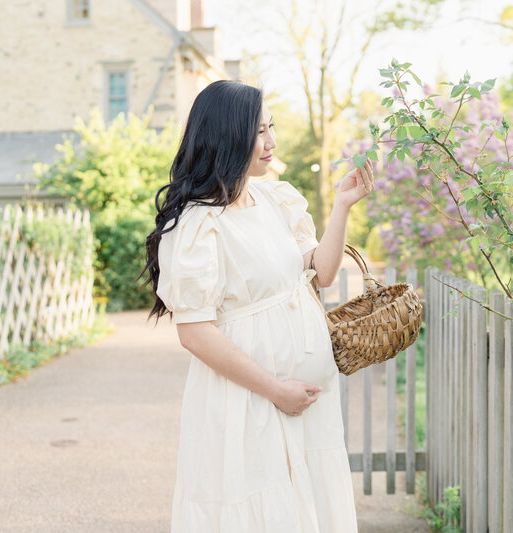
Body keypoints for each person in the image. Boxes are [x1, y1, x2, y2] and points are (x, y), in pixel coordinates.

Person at [140, 80, 375, 532]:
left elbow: (321, 273)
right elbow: (194, 331)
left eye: (271, 127)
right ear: (228, 137)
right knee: (257, 512)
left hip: (305, 403)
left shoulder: (274, 199)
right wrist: (274, 389)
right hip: (246, 400)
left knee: (306, 510)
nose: (271, 142)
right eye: (258, 131)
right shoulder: (198, 224)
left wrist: (343, 207)